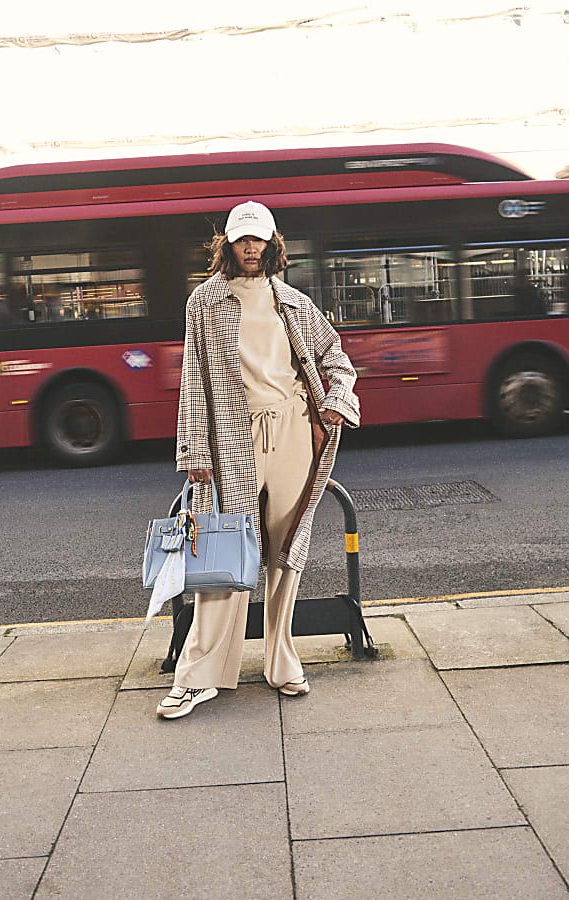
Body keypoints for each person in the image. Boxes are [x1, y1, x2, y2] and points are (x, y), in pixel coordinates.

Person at [156, 201, 360, 719]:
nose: (250, 248)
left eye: (259, 239)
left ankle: (281, 660)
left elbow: (336, 356)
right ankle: (198, 676)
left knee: (286, 549)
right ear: (226, 244)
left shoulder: (293, 302)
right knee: (224, 553)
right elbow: (193, 384)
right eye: (241, 240)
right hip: (232, 439)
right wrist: (194, 452)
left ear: (273, 242)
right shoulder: (204, 302)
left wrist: (337, 400)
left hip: (292, 431)